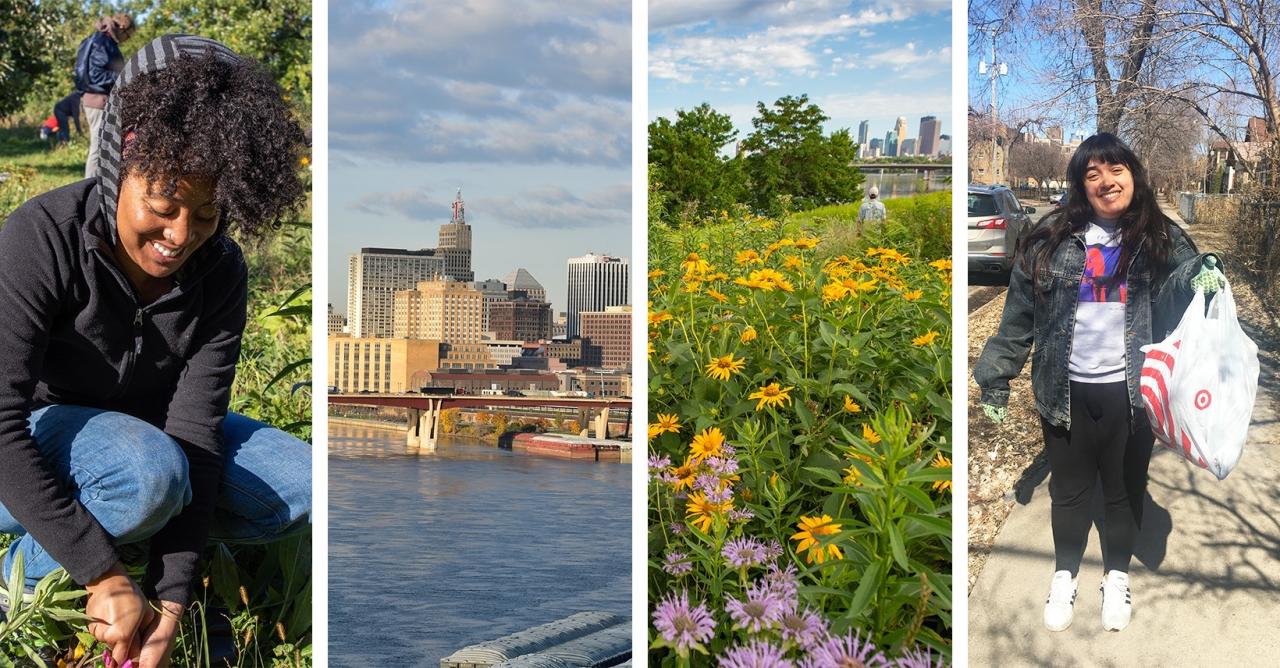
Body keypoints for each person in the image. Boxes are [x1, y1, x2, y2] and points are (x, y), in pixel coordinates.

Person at [0, 35, 310, 667]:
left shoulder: (220, 270)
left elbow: (195, 436)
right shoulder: (41, 236)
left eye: (206, 214)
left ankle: (125, 543)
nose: (179, 237)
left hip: (151, 442)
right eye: (163, 206)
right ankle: (26, 577)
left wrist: (170, 605)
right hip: (33, 434)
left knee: (302, 486)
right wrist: (103, 576)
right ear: (118, 165)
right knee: (147, 476)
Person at [973, 133, 1226, 633]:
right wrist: (996, 374)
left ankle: (1115, 575)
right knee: (1068, 491)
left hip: (1131, 394)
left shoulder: (1161, 237)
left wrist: (1202, 275)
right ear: (1079, 185)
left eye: (1116, 170)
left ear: (1133, 175)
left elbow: (1180, 293)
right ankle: (1065, 572)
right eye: (1092, 175)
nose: (1106, 182)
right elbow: (1020, 316)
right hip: (1063, 387)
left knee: (1123, 489)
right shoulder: (1048, 238)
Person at [74, 13, 134, 178]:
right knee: (99, 147)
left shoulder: (98, 39)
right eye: (128, 36)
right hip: (98, 100)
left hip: (94, 98)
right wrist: (124, 76)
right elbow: (97, 75)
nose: (126, 40)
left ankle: (97, 183)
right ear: (122, 28)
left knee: (102, 145)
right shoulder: (103, 42)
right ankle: (90, 187)